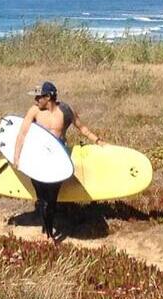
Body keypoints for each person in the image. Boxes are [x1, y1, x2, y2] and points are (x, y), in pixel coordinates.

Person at [13, 81, 105, 240]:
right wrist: (17, 156)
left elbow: (82, 128)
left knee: (51, 200)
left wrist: (98, 141)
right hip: (38, 158)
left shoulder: (65, 111)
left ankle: (48, 226)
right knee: (42, 199)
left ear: (48, 97)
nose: (36, 100)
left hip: (57, 160)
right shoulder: (34, 111)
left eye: (39, 97)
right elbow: (22, 133)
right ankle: (48, 235)